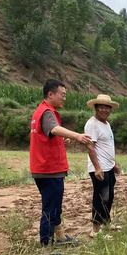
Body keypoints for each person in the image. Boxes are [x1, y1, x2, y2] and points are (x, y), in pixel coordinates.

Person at [30, 79, 91, 246]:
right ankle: (46, 246)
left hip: (43, 168)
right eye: (62, 95)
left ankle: (60, 237)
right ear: (50, 94)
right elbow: (54, 129)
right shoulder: (47, 112)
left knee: (54, 206)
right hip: (49, 170)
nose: (64, 98)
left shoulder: (40, 111)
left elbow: (48, 135)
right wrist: (77, 136)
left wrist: (60, 141)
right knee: (50, 209)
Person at [84, 94, 121, 237]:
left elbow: (107, 146)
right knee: (100, 197)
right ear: (96, 108)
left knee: (109, 196)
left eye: (107, 107)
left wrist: (114, 163)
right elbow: (90, 147)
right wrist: (97, 168)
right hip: (99, 168)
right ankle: (95, 229)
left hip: (108, 166)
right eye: (101, 107)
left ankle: (106, 223)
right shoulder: (92, 124)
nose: (105, 110)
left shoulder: (106, 124)